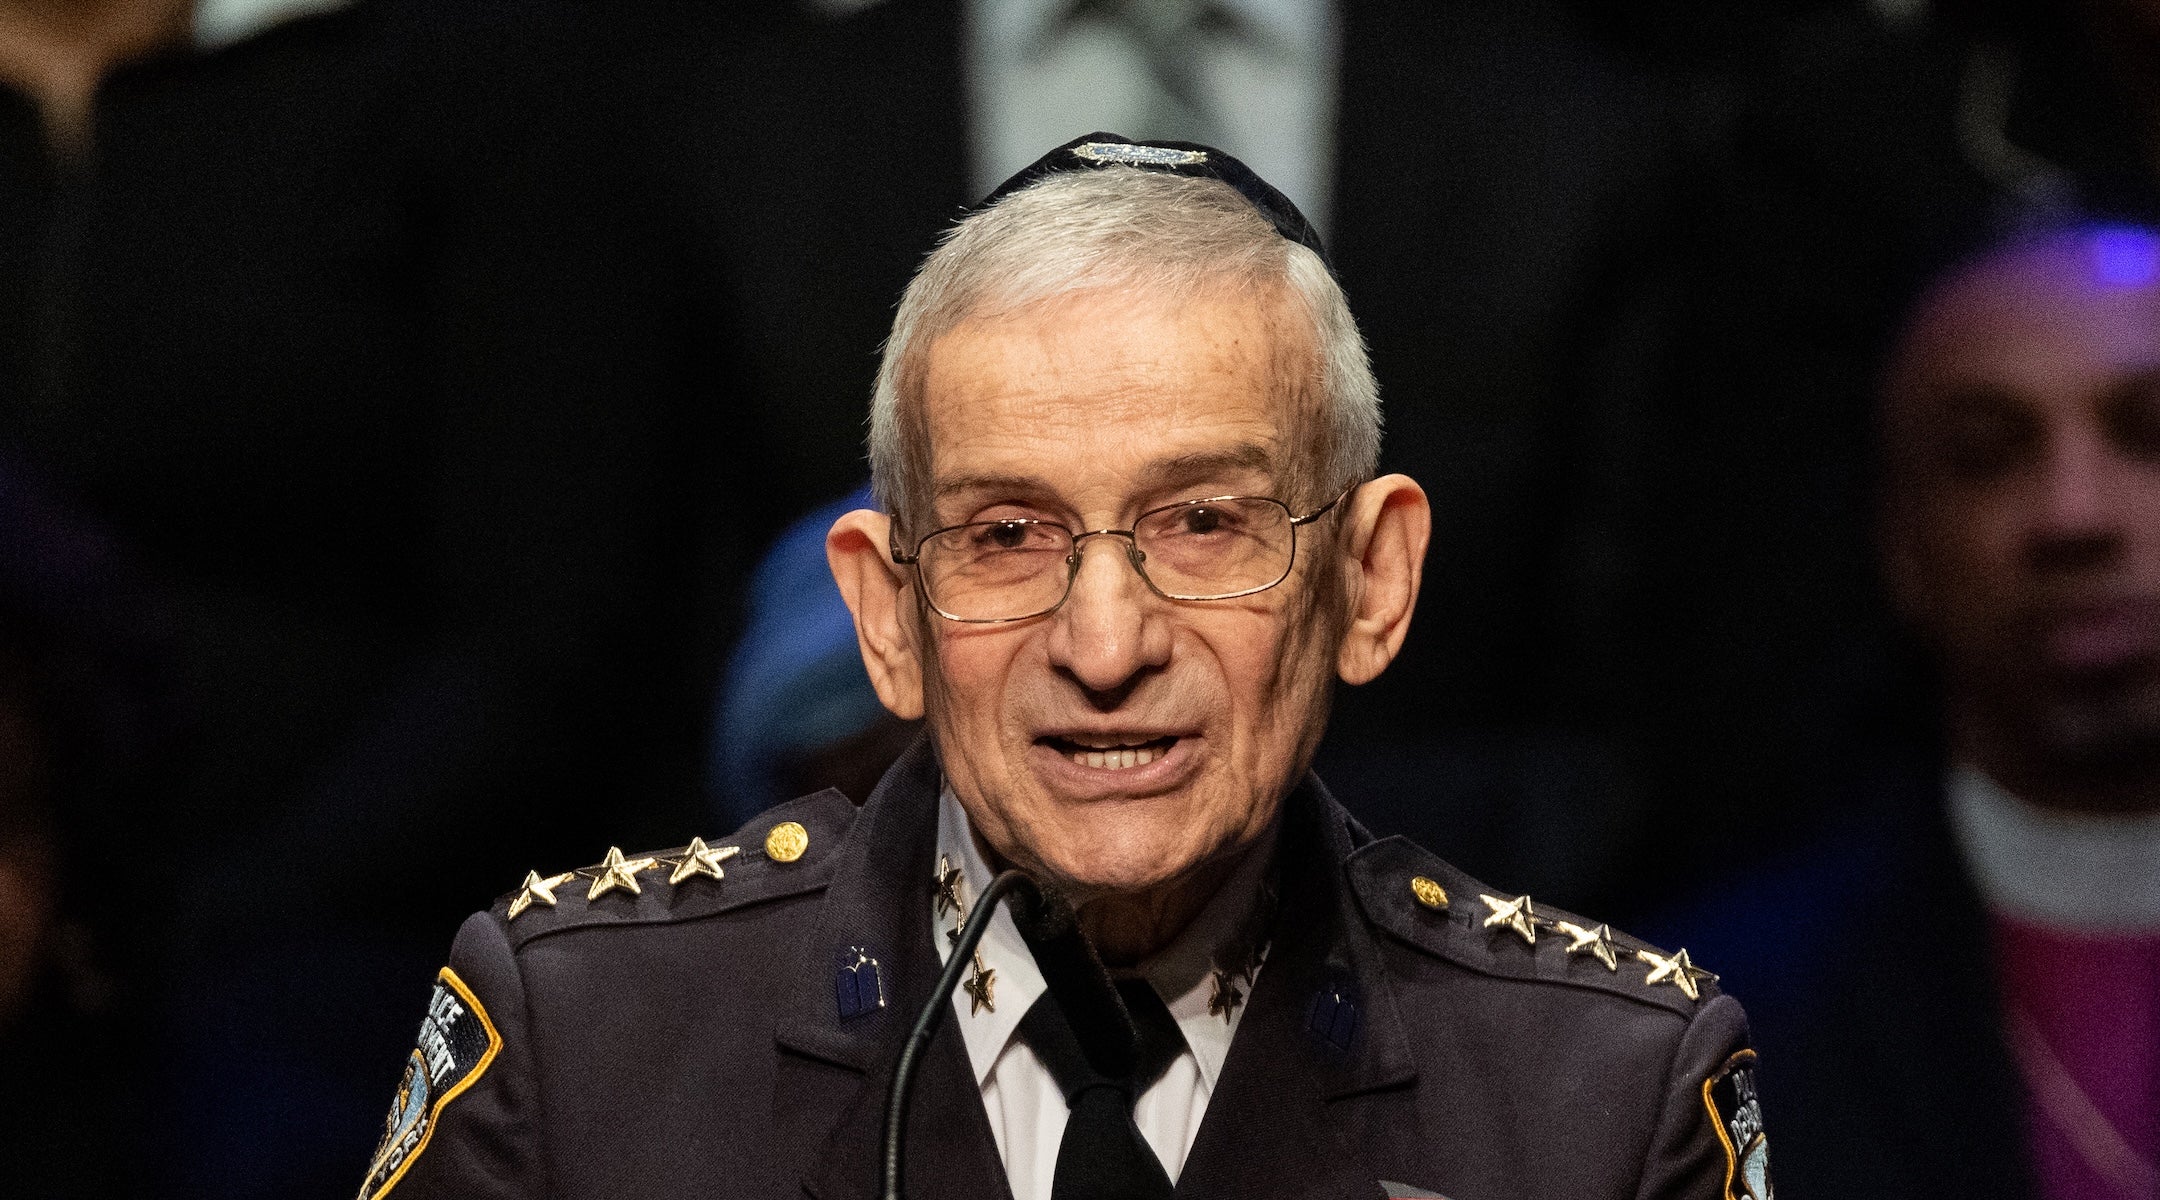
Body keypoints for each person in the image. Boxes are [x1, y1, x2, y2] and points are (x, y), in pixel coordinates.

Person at [360, 136, 1765, 1200]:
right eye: (1007, 535)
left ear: (1370, 579)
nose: (1104, 647)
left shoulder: (1604, 1097)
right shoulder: (584, 1043)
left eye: (1206, 524)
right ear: (887, 613)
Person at [1649, 221, 2160, 1199]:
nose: (2074, 514)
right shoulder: (1700, 1025)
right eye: (1986, 455)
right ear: (1902, 549)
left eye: (2150, 433)